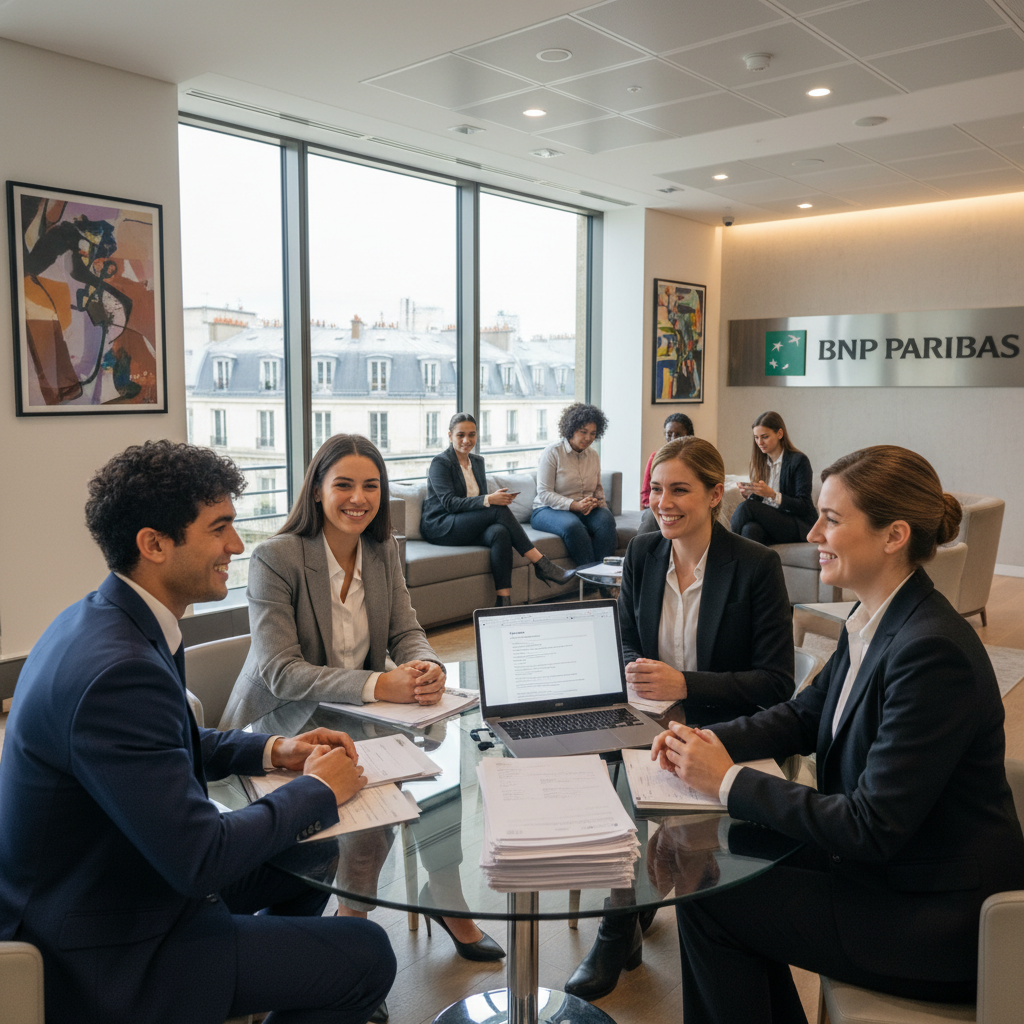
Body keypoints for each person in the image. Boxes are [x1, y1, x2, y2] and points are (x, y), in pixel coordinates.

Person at [0, 440, 396, 1024]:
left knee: (312, 850)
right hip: (109, 943)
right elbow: (201, 860)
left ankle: (256, 986)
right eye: (220, 528)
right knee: (369, 955)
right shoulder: (121, 670)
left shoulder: (109, 619)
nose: (237, 545)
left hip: (123, 880)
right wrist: (317, 790)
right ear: (153, 544)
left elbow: (165, 742)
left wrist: (273, 748)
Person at [656, 445, 1024, 1024]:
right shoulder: (875, 617)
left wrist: (725, 781)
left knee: (711, 898)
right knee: (717, 863)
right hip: (894, 872)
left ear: (893, 535)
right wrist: (702, 739)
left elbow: (870, 827)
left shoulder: (931, 652)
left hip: (935, 916)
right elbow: (802, 715)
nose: (812, 531)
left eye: (831, 518)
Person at [221, 432, 503, 976]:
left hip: (364, 712)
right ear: (317, 490)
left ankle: (442, 895)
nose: (359, 497)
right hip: (286, 720)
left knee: (438, 768)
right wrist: (381, 685)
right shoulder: (275, 557)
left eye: (371, 485)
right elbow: (281, 671)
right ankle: (357, 924)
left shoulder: (381, 551)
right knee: (374, 791)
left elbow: (407, 630)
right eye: (344, 484)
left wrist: (427, 666)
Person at [565, 436, 794, 1001]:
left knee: (674, 827)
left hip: (720, 728)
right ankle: (621, 924)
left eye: (679, 490)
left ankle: (635, 925)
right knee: (609, 783)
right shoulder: (643, 553)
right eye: (657, 490)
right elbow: (625, 640)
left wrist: (685, 685)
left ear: (716, 494)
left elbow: (777, 683)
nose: (663, 502)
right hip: (649, 719)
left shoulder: (756, 566)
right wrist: (637, 679)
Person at [420, 413, 575, 607]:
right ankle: (542, 564)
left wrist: (491, 499)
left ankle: (504, 601)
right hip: (441, 525)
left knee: (500, 532)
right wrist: (489, 500)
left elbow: (479, 499)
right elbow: (450, 503)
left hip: (465, 523)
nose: (467, 440)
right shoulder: (440, 463)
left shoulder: (477, 462)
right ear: (450, 436)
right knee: (497, 510)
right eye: (460, 435)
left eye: (472, 434)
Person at [531, 402, 618, 569]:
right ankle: (593, 576)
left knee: (606, 520)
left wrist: (600, 506)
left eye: (593, 433)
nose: (588, 438)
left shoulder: (593, 455)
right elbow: (544, 493)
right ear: (571, 429)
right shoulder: (552, 452)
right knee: (573, 526)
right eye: (583, 432)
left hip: (583, 509)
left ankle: (605, 575)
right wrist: (575, 505)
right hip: (547, 510)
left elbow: (597, 488)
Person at [730, 410, 815, 546]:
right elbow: (762, 504)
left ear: (780, 434)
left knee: (747, 508)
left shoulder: (799, 461)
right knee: (750, 529)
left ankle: (724, 548)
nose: (759, 442)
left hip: (798, 524)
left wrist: (773, 495)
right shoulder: (761, 463)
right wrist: (751, 494)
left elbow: (804, 506)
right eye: (756, 437)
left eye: (764, 437)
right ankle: (748, 567)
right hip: (773, 524)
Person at [640, 412, 693, 509]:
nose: (673, 438)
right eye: (669, 434)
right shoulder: (655, 457)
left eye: (678, 434)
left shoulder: (696, 458)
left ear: (688, 435)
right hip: (659, 505)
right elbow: (646, 493)